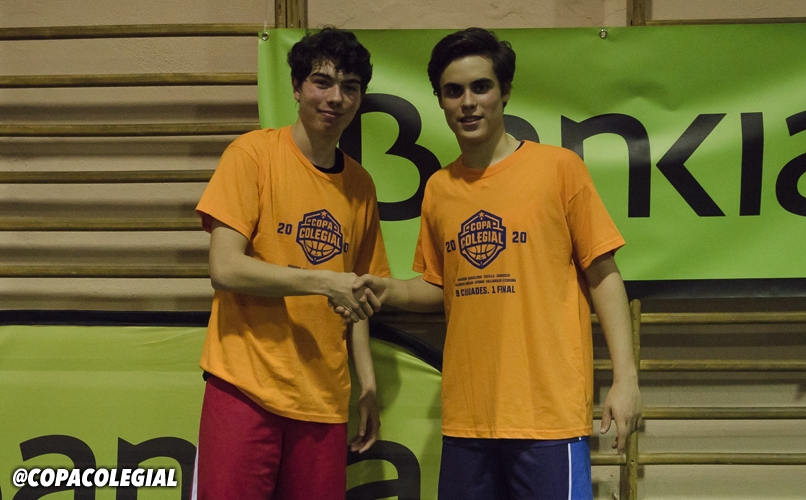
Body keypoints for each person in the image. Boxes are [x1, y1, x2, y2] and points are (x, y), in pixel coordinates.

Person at [343, 27, 641, 499]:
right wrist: (390, 289)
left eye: (480, 87)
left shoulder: (559, 169)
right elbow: (442, 285)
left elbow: (603, 275)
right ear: (441, 101)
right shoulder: (440, 188)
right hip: (468, 420)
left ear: (505, 92)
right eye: (453, 91)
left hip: (547, 416)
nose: (468, 102)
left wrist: (625, 379)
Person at [192, 27, 389, 500]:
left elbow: (357, 294)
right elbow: (225, 268)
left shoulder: (360, 185)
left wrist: (366, 380)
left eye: (350, 87)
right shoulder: (252, 155)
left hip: (323, 399)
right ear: (297, 88)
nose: (335, 98)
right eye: (322, 82)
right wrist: (322, 282)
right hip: (244, 386)